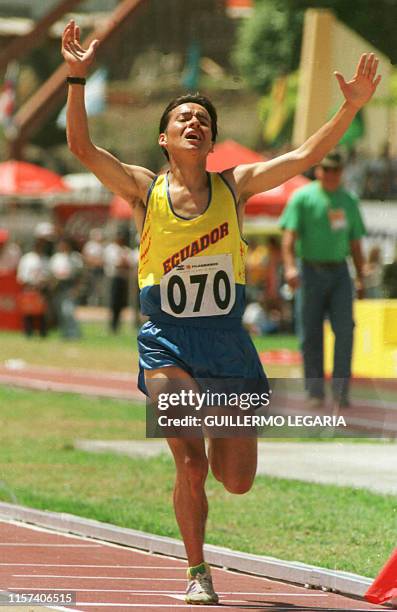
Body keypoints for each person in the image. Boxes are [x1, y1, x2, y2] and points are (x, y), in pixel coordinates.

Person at [62, 19, 380, 604]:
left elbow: (308, 153)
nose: (193, 122)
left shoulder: (236, 186)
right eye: (182, 117)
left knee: (235, 479)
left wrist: (351, 108)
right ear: (164, 138)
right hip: (167, 342)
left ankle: (216, 434)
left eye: (202, 120)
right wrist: (78, 77)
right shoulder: (142, 190)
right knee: (189, 465)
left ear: (210, 142)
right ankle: (196, 570)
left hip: (227, 345)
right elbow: (81, 147)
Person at [280, 150, 367, 409]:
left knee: (345, 331)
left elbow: (355, 243)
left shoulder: (349, 200)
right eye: (325, 170)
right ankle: (314, 391)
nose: (330, 175)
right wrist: (289, 268)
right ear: (318, 171)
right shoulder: (303, 198)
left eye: (335, 170)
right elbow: (288, 239)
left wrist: (361, 277)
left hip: (340, 272)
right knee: (310, 333)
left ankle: (341, 391)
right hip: (309, 271)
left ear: (341, 173)